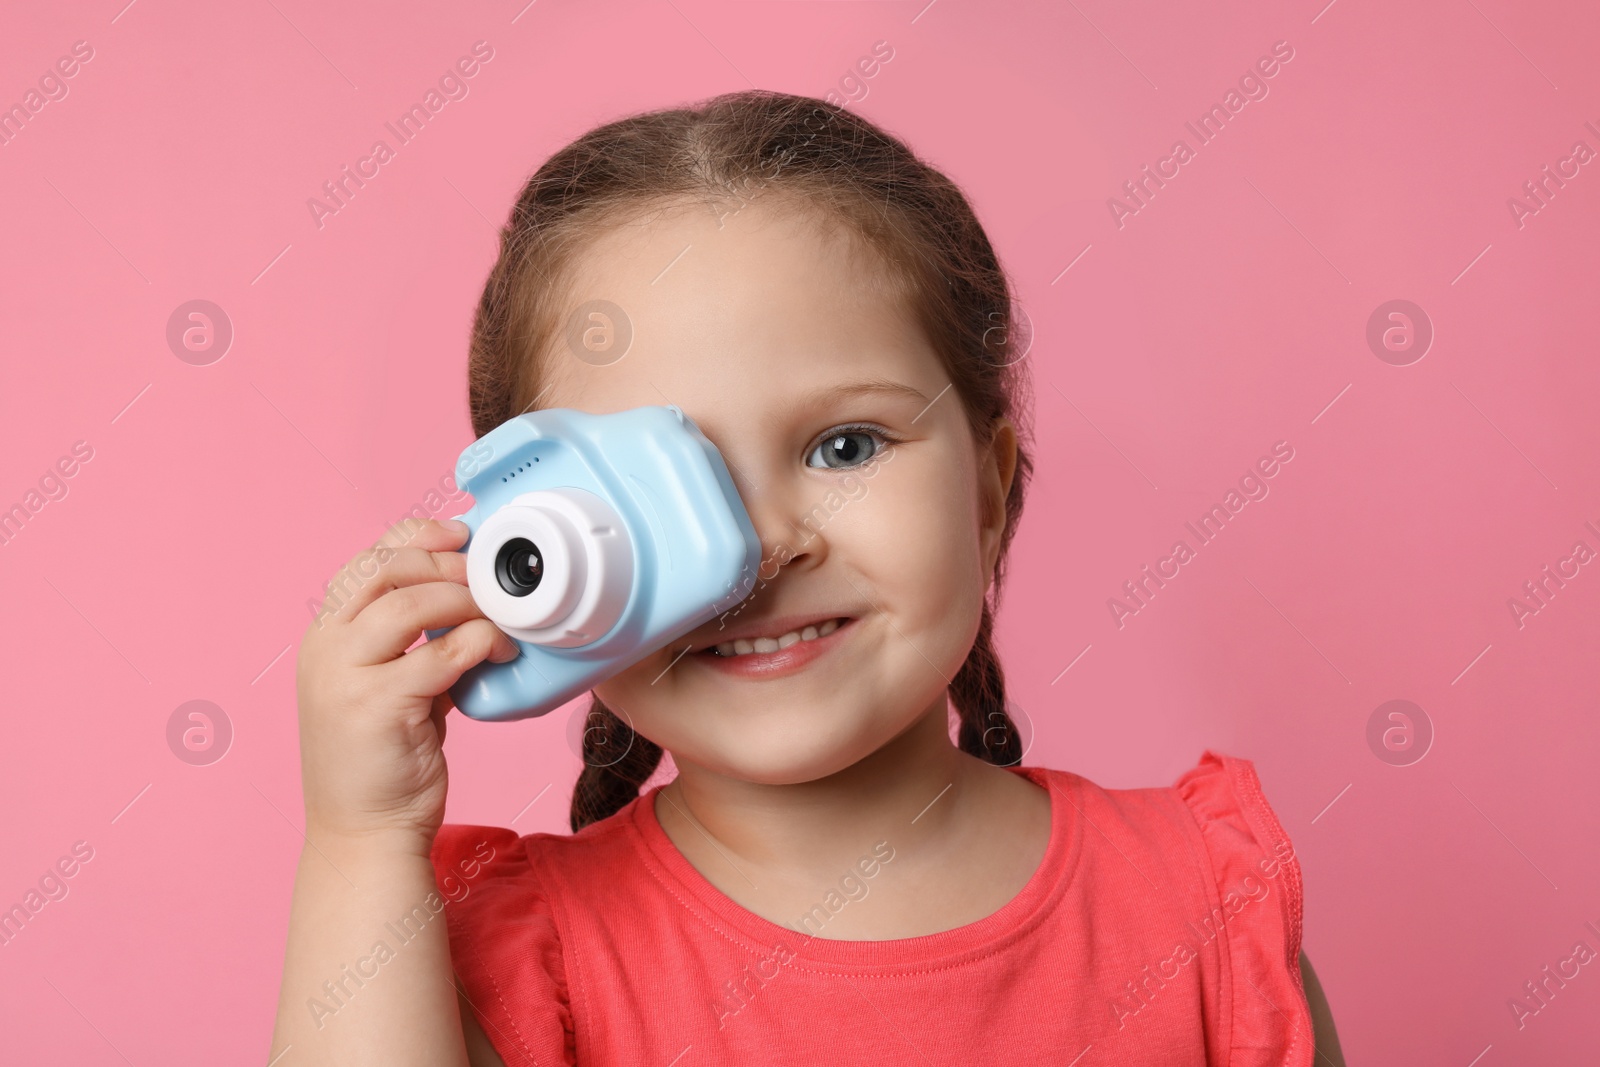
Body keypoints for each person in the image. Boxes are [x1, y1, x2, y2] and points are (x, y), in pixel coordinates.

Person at [270, 90, 1345, 1066]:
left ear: (986, 485)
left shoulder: (1204, 905)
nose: (763, 544)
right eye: (664, 494)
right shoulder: (514, 968)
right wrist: (360, 844)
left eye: (843, 446)